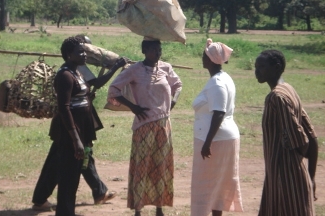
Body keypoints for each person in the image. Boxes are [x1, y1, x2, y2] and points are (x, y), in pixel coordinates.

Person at [32, 36, 127, 215]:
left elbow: (84, 93)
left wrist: (85, 99)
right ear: (69, 55)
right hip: (71, 131)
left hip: (82, 127)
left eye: (85, 51)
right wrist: (75, 139)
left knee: (72, 171)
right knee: (68, 176)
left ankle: (46, 200)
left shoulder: (78, 72)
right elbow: (64, 108)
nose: (85, 54)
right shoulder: (65, 75)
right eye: (80, 52)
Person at [107, 38, 182, 216]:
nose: (158, 53)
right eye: (154, 49)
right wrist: (133, 107)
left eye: (159, 49)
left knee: (161, 166)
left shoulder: (166, 67)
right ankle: (138, 210)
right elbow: (113, 90)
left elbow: (178, 84)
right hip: (144, 126)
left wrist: (173, 101)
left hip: (164, 125)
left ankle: (159, 207)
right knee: (142, 166)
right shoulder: (134, 70)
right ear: (144, 51)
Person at [255, 49, 318, 216]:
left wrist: (291, 161)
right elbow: (312, 137)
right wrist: (310, 177)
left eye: (261, 67)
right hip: (281, 176)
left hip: (285, 178)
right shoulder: (289, 89)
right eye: (255, 67)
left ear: (276, 67)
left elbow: (302, 140)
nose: (257, 71)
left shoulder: (276, 97)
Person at [190, 38, 243, 216]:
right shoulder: (222, 78)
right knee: (216, 185)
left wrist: (207, 143)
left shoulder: (217, 84)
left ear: (210, 60)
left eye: (204, 55)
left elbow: (219, 113)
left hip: (216, 140)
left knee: (206, 185)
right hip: (220, 138)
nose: (202, 58)